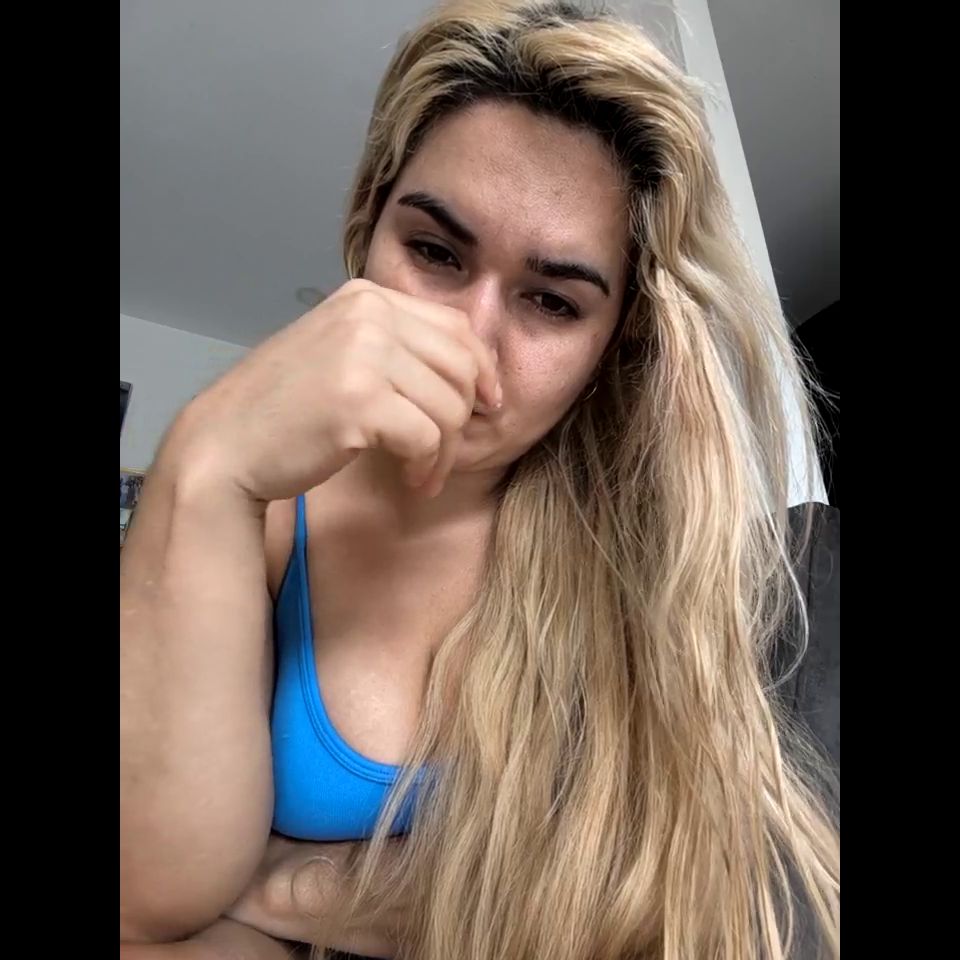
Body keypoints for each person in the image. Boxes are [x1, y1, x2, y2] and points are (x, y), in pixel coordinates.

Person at [120, 2, 840, 958]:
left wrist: (286, 887)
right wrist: (205, 463)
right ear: (366, 226)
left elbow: (653, 895)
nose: (464, 346)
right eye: (433, 252)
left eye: (552, 302)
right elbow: (151, 905)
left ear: (612, 342)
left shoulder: (647, 548)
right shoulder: (261, 521)